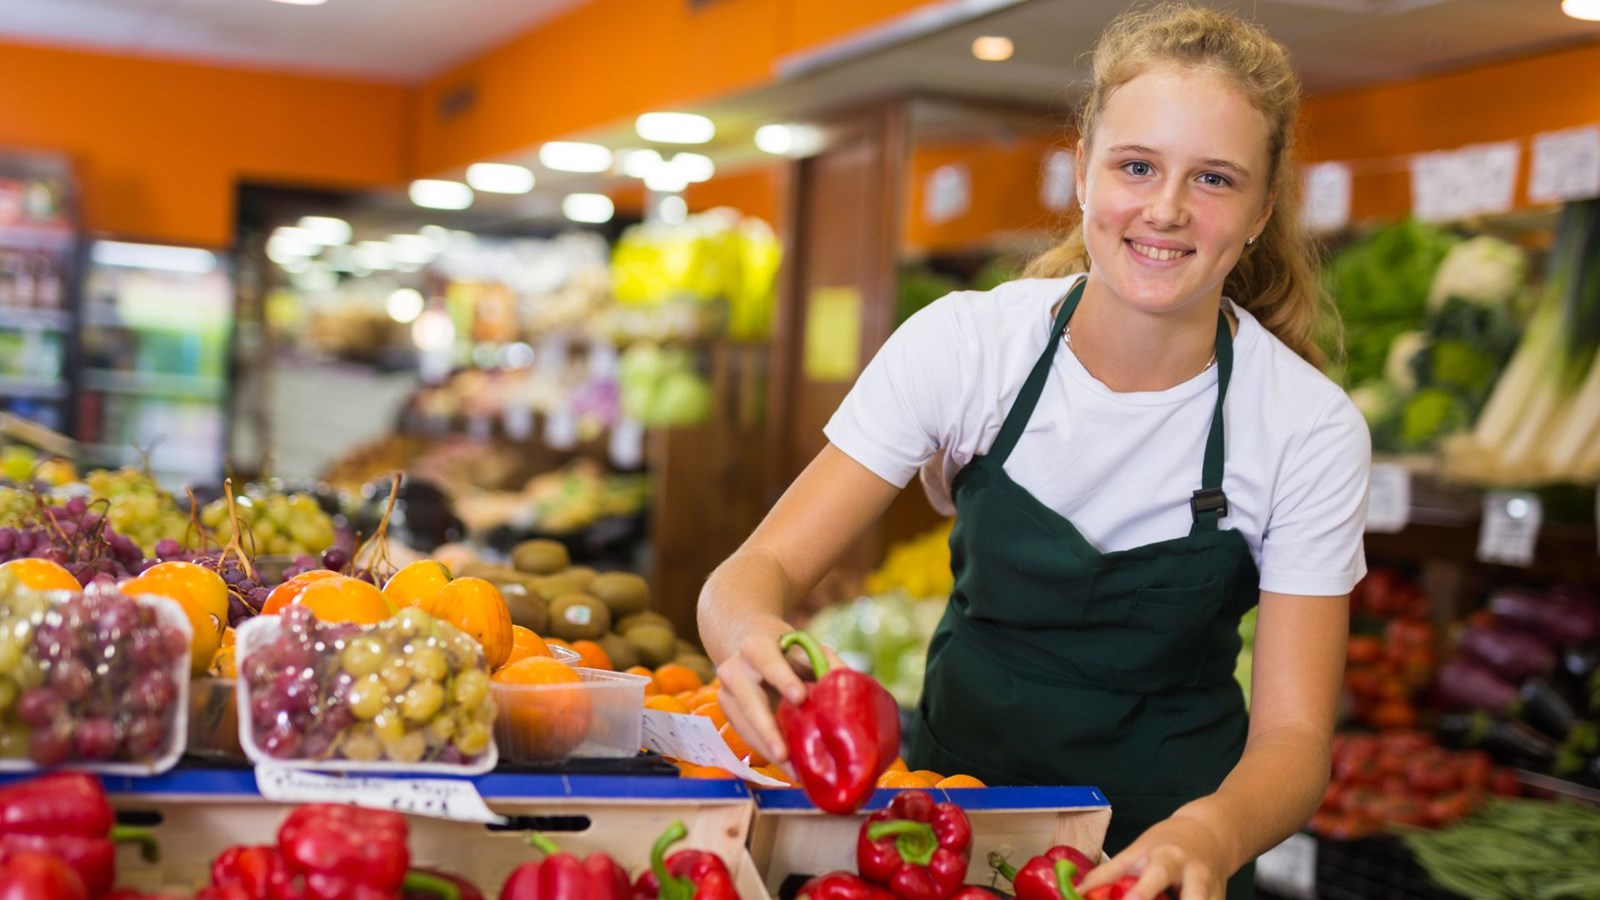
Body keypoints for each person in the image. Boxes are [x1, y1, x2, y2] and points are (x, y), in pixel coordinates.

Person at [697, 4, 1370, 899]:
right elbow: (760, 567)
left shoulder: (1307, 427)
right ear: (1085, 166)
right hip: (940, 827)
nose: (1166, 209)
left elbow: (1293, 742)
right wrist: (747, 632)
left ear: (1261, 207)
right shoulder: (970, 347)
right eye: (1137, 166)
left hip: (1164, 853)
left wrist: (1209, 835)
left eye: (1214, 179)